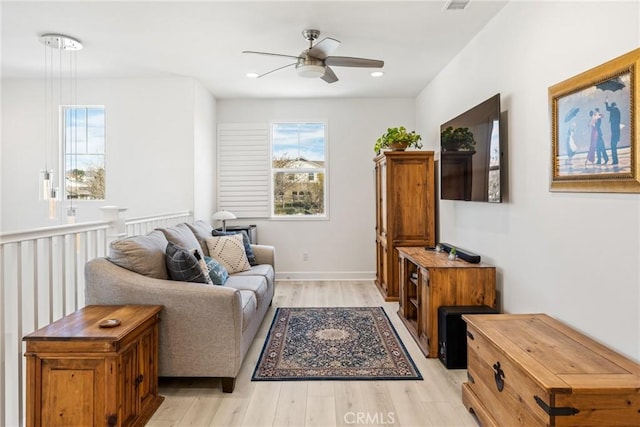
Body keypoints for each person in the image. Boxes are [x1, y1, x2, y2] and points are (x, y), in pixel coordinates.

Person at [605, 100, 621, 164]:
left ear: (613, 106)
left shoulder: (615, 110)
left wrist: (606, 102)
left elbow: (608, 109)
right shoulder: (616, 110)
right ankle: (615, 160)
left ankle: (615, 160)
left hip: (615, 132)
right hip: (615, 132)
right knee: (613, 146)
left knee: (613, 145)